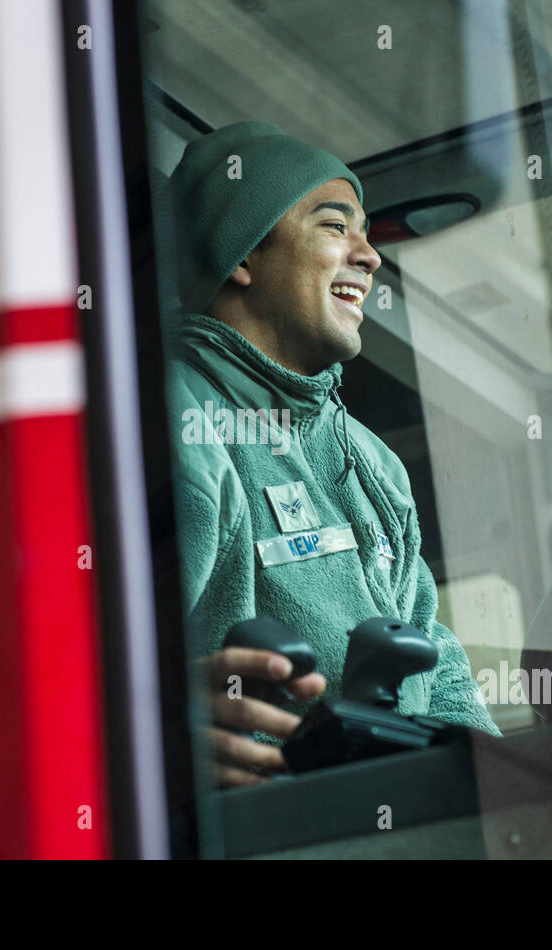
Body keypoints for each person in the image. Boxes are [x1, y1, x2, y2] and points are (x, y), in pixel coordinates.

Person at [165, 121, 500, 788]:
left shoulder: (373, 464)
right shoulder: (177, 421)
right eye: (334, 226)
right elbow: (72, 661)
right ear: (243, 256)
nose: (371, 256)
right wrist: (159, 732)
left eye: (366, 231)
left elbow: (435, 658)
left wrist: (511, 787)